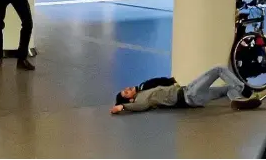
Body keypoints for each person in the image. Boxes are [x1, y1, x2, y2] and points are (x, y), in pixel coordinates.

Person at [110, 66, 264, 115]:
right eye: (126, 92)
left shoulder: (143, 91)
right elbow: (140, 107)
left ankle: (238, 100)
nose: (127, 89)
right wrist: (123, 107)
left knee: (227, 89)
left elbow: (155, 81)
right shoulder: (141, 100)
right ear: (130, 99)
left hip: (191, 93)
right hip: (190, 95)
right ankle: (244, 90)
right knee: (218, 69)